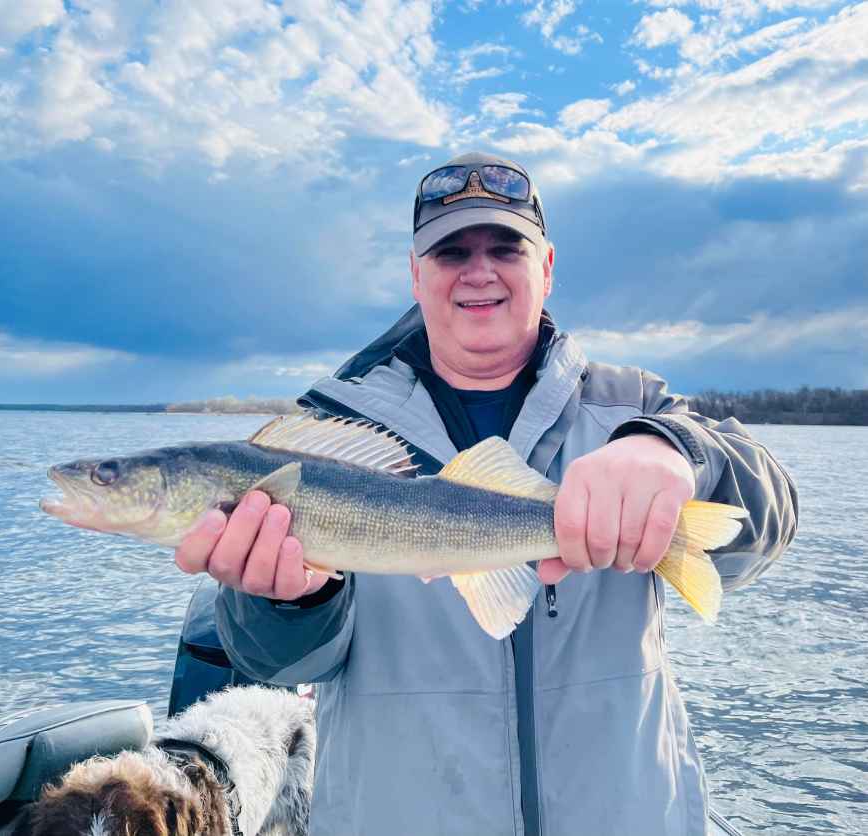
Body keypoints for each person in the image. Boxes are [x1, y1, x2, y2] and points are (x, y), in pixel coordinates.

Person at [175, 152, 798, 836]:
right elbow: (283, 664)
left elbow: (764, 529)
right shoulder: (316, 443)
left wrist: (679, 453)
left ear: (547, 267)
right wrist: (287, 600)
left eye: (505, 247)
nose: (479, 271)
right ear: (416, 275)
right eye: (450, 253)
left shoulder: (636, 407)